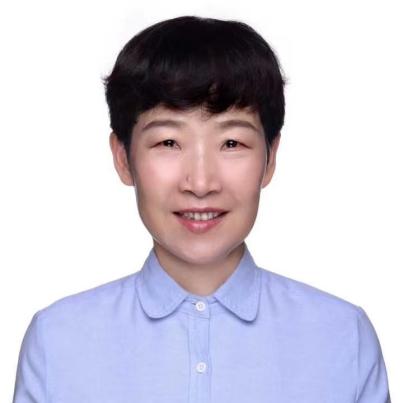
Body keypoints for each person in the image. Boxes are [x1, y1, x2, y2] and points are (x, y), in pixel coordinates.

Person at [12, 15, 391, 403]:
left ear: (270, 158)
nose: (200, 182)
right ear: (123, 158)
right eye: (168, 143)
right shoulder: (57, 340)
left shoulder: (343, 336)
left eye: (231, 143)